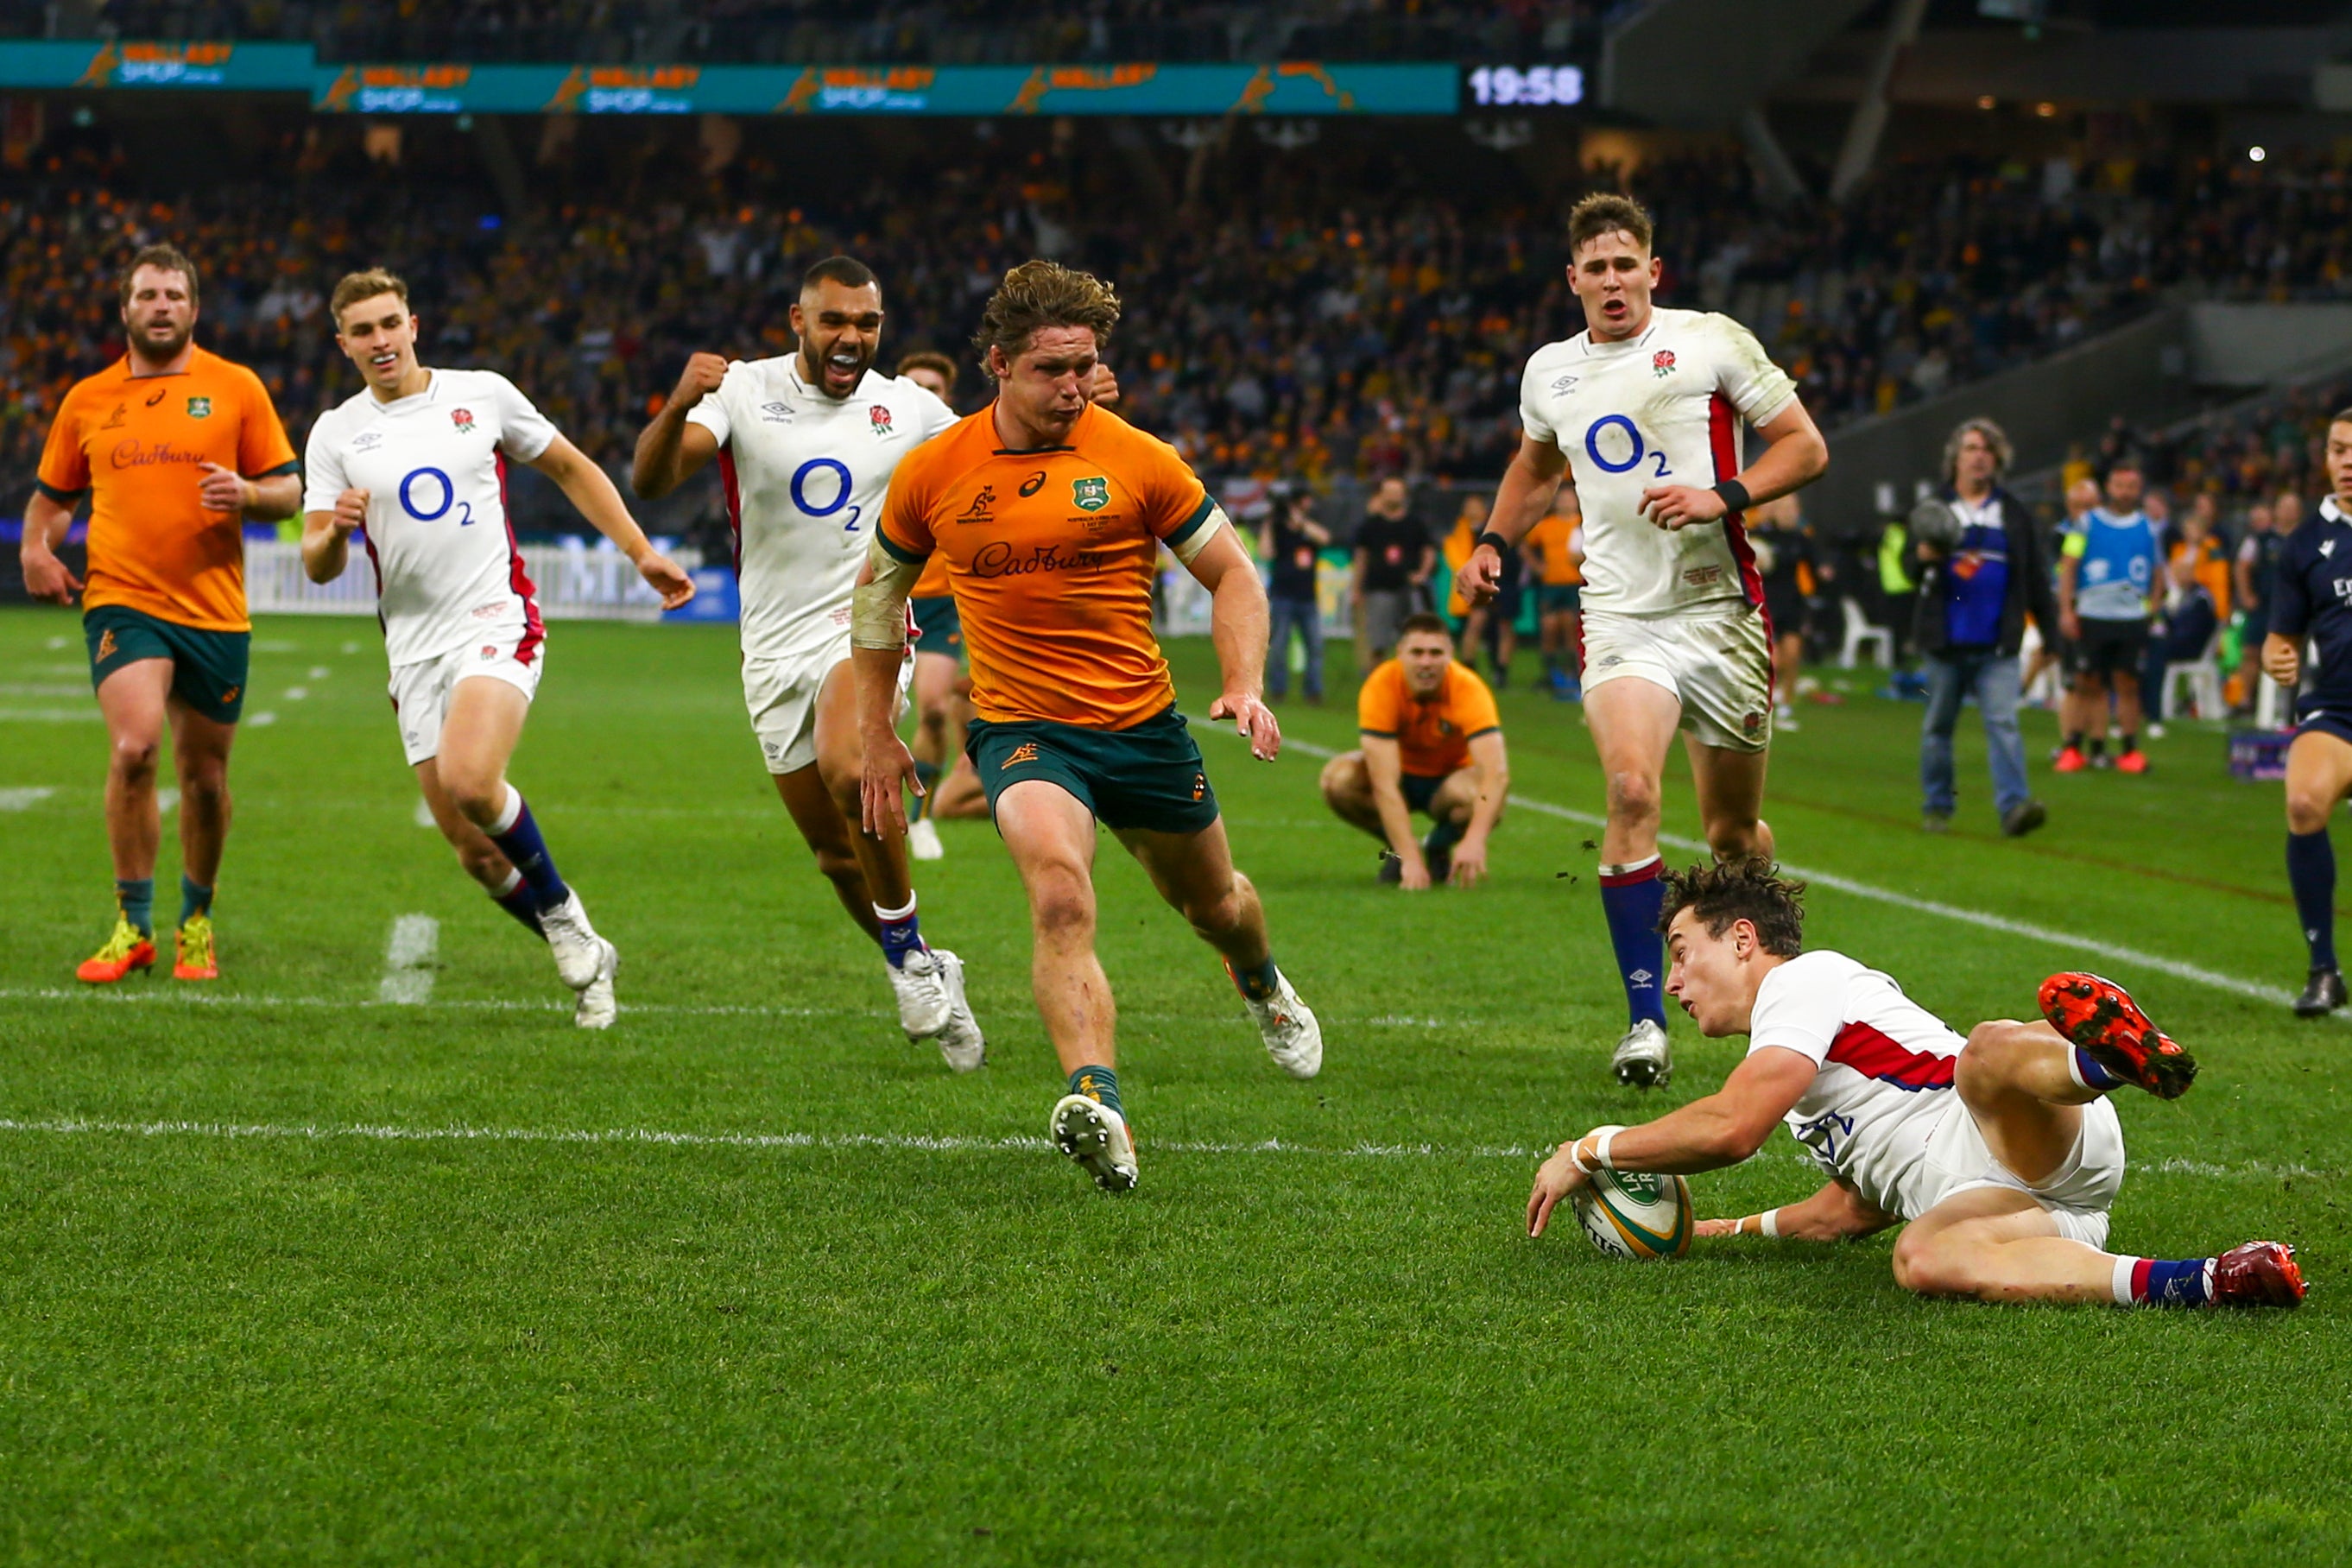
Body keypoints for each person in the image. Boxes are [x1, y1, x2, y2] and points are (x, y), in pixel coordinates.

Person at [851, 260, 1323, 1195]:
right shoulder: (936, 471)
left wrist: (1244, 683)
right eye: (1051, 369)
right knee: (1061, 897)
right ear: (998, 365)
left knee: (1216, 905)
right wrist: (876, 728)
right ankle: (1097, 1102)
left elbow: (1234, 575)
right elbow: (877, 596)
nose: (1073, 387)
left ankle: (1262, 982)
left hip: (1142, 728)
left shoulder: (1135, 456)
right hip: (1024, 729)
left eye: (1085, 366)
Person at [1525, 860, 2305, 1310]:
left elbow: (1733, 1127)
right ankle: (2211, 1279)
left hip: (2022, 1125)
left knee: (1984, 1056)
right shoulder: (1797, 1071)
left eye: (1682, 952)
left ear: (1742, 939)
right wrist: (1723, 1232)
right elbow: (1848, 1208)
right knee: (1920, 1257)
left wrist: (1592, 1149)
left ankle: (2100, 1061)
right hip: (2029, 1207)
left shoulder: (1802, 982)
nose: (1674, 982)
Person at [1455, 191, 1829, 1090]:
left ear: (1653, 271)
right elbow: (1536, 467)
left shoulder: (1713, 341)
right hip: (1621, 613)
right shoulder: (1550, 371)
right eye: (1598, 267)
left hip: (1722, 612)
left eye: (1629, 264)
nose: (1614, 280)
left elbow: (1805, 447)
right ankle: (1647, 1020)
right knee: (1628, 792)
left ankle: (1776, 980)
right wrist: (1493, 543)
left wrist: (1720, 496)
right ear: (1573, 278)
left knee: (1734, 832)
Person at [304, 268, 695, 1027]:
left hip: (494, 616)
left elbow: (569, 466)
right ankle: (582, 940)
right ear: (343, 343)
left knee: (474, 781)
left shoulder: (480, 393)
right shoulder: (335, 432)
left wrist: (640, 551)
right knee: (477, 854)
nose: (379, 341)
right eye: (362, 331)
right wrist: (335, 532)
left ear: (413, 324)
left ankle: (560, 915)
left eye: (390, 324)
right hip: (413, 648)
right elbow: (319, 565)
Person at [631, 256, 984, 1066]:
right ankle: (924, 959)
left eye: (867, 323)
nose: (851, 337)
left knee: (847, 758)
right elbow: (653, 479)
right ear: (799, 321)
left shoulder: (911, 408)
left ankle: (904, 960)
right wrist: (680, 399)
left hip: (861, 622)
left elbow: (1000, 449)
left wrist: (1086, 417)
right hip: (770, 646)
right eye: (834, 321)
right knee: (832, 854)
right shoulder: (743, 391)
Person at [22, 243, 301, 985]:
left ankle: (196, 920)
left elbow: (290, 490)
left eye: (174, 295)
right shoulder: (87, 399)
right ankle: (132, 924)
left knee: (206, 778)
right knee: (135, 750)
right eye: (147, 295)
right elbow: (52, 501)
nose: (161, 307)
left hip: (213, 608)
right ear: (125, 309)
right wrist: (34, 550)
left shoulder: (236, 387)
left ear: (194, 308)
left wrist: (248, 495)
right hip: (122, 598)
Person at [1912, 418, 2057, 838]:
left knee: (2003, 723)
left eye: (1988, 450)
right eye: (1972, 448)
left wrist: (2052, 637)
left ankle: (2014, 809)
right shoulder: (1934, 508)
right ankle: (1937, 807)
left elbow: (2035, 579)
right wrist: (1922, 556)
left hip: (1997, 642)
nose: (1980, 456)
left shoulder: (2012, 512)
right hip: (1945, 641)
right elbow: (1906, 569)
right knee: (1938, 727)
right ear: (1956, 457)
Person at [2263, 414, 2352, 1016]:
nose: (2348, 462)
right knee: (2302, 802)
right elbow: (2279, 637)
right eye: (2339, 450)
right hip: (2337, 709)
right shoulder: (2304, 544)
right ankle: (2324, 969)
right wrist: (2277, 657)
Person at [1318, 613, 1508, 889]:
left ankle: (1437, 847)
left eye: (1435, 653)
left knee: (1485, 798)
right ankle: (1400, 852)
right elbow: (1384, 784)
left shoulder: (1469, 688)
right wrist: (1409, 858)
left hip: (1448, 782)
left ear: (1450, 655)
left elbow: (1496, 773)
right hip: (1401, 777)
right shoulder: (1381, 686)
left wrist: (1475, 840)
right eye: (1417, 653)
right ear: (1400, 654)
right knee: (1337, 780)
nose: (1426, 663)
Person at [895, 349, 976, 858]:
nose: (924, 397)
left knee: (930, 710)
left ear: (947, 400)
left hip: (940, 604)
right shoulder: (871, 451)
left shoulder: (967, 453)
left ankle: (920, 819)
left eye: (934, 389)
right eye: (913, 388)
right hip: (883, 597)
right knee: (870, 720)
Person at [2055, 457, 2161, 774]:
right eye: (2120, 485)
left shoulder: (2148, 527)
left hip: (2131, 617)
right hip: (2093, 614)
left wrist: (2153, 606)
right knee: (2085, 681)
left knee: (2128, 684)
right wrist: (2066, 609)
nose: (2126, 492)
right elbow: (2069, 566)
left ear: (2139, 489)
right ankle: (2073, 747)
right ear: (2109, 488)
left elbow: (2158, 572)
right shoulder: (2086, 523)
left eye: (2131, 486)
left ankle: (2130, 750)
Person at [1748, 493, 1812, 731]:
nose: (1789, 512)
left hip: (1793, 602)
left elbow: (1814, 563)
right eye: (1784, 507)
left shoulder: (1799, 538)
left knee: (1793, 655)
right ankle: (1766, 702)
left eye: (1792, 508)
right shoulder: (1761, 536)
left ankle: (1787, 703)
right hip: (1768, 602)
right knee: (1773, 659)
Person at [1261, 483, 1331, 705]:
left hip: (1307, 596)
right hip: (1283, 595)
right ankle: (1278, 689)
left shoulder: (1308, 530)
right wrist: (1271, 522)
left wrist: (1301, 523)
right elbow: (1266, 552)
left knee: (1315, 647)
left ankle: (1313, 690)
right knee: (1279, 646)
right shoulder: (1278, 529)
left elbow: (1325, 538)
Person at [1353, 476, 1432, 666]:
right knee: (1378, 643)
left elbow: (1428, 551)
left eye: (1396, 492)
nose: (1393, 496)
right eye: (1388, 492)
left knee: (1413, 641)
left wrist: (1422, 574)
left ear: (1404, 495)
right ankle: (1376, 685)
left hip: (1409, 590)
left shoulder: (1415, 523)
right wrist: (1357, 588)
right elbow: (1361, 558)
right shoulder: (1370, 525)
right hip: (1379, 589)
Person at [1520, 497, 1584, 699]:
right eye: (1564, 500)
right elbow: (1524, 545)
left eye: (1570, 500)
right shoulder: (1546, 525)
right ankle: (1550, 674)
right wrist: (1537, 566)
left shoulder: (1583, 523)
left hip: (1574, 582)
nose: (1567, 504)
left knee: (1570, 627)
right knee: (1549, 627)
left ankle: (1572, 675)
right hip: (1550, 584)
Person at [2232, 498, 2282, 717]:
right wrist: (2246, 595)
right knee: (2251, 652)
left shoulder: (2303, 538)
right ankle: (2244, 700)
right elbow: (2241, 566)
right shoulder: (2258, 540)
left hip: (2289, 607)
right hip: (2263, 605)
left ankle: (2281, 704)